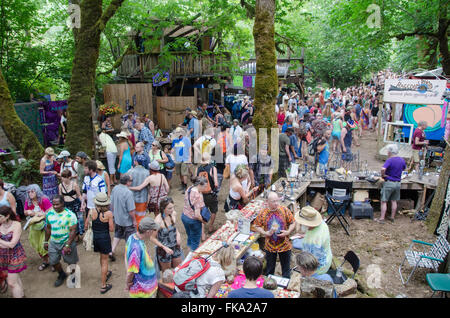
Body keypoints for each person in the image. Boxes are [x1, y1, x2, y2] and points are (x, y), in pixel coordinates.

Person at [254, 192, 296, 278]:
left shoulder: (284, 210)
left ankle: (285, 288)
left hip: (285, 245)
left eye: (277, 201)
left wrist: (288, 232)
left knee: (286, 270)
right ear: (267, 202)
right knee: (270, 270)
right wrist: (265, 233)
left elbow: (293, 222)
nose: (276, 203)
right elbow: (256, 225)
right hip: (270, 246)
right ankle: (270, 287)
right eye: (273, 201)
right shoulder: (263, 213)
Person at [44, 195, 78, 287]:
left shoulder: (70, 215)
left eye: (57, 204)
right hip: (54, 242)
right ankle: (61, 274)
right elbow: (48, 228)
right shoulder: (49, 214)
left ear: (63, 203)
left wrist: (67, 245)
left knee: (71, 262)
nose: (55, 206)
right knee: (53, 261)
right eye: (53, 204)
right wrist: (46, 241)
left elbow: (73, 231)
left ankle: (73, 275)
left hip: (66, 242)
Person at [85, 192, 114, 294]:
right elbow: (111, 229)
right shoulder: (109, 214)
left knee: (101, 258)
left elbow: (85, 226)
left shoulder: (91, 211)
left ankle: (104, 274)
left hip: (95, 238)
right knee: (105, 260)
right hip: (105, 238)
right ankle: (103, 285)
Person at [292, 206, 332, 275]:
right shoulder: (322, 224)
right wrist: (305, 236)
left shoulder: (315, 243)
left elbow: (312, 263)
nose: (301, 224)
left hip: (317, 269)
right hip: (326, 256)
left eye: (302, 222)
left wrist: (304, 271)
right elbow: (313, 233)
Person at [125, 217, 159, 298]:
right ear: (148, 231)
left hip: (145, 286)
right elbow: (131, 272)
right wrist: (128, 283)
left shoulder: (133, 236)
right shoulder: (136, 249)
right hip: (141, 290)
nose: (154, 232)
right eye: (153, 230)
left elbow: (126, 256)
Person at [376, 144, 406, 224]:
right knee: (394, 200)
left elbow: (383, 169)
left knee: (384, 201)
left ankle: (382, 218)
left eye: (388, 151)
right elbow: (404, 168)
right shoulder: (402, 160)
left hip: (389, 182)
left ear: (390, 151)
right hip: (398, 183)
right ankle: (392, 217)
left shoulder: (390, 160)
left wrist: (383, 175)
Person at [24, 184, 52, 271]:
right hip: (34, 226)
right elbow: (24, 212)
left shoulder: (44, 200)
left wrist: (43, 214)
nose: (30, 194)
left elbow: (51, 212)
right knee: (37, 244)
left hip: (45, 225)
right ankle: (45, 261)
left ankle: (53, 262)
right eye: (28, 192)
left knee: (45, 243)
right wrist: (28, 212)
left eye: (32, 191)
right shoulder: (27, 201)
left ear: (37, 191)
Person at [0, 206, 26, 298]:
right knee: (15, 278)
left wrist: (2, 243)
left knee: (11, 283)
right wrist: (4, 244)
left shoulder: (16, 224)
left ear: (7, 216)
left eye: (0, 217)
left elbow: (12, 244)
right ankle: (22, 295)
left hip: (15, 255)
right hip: (3, 255)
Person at [151, 197, 182, 272]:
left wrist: (178, 235)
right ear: (163, 208)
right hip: (164, 250)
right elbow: (152, 238)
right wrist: (164, 248)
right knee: (167, 273)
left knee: (178, 270)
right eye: (169, 208)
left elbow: (175, 227)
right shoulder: (157, 221)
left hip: (175, 247)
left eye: (173, 207)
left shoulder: (173, 214)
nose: (172, 210)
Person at [110, 174, 136, 261]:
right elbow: (131, 210)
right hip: (127, 220)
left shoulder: (115, 188)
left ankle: (112, 250)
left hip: (117, 218)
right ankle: (128, 255)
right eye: (131, 180)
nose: (132, 182)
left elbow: (111, 203)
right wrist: (134, 220)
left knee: (117, 234)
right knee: (129, 238)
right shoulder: (128, 193)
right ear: (127, 182)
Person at [182, 176, 209, 251]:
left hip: (184, 216)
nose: (205, 189)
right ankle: (192, 258)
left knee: (190, 236)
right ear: (199, 185)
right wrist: (203, 221)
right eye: (205, 186)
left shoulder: (189, 188)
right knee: (195, 242)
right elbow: (197, 215)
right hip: (193, 220)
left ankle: (189, 250)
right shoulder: (198, 195)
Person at [194, 153, 219, 234]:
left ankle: (202, 231)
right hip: (210, 194)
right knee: (213, 210)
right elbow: (216, 183)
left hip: (200, 194)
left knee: (201, 211)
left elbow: (195, 181)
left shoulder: (197, 168)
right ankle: (210, 226)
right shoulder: (212, 168)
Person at [80, 161, 107, 229]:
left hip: (97, 206)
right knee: (88, 224)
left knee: (96, 225)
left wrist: (101, 206)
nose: (84, 170)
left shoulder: (99, 179)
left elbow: (103, 194)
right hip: (88, 206)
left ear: (91, 170)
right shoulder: (86, 178)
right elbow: (84, 192)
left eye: (86, 168)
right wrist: (82, 203)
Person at [59, 170, 82, 240]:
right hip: (66, 205)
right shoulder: (60, 185)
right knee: (68, 221)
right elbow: (61, 197)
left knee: (76, 220)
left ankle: (77, 235)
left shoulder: (74, 185)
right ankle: (70, 235)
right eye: (62, 177)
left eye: (65, 177)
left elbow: (79, 195)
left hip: (75, 204)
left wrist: (83, 204)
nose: (63, 179)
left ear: (69, 177)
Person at [128, 155, 150, 228]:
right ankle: (138, 232)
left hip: (131, 198)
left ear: (136, 162)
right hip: (142, 198)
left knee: (131, 216)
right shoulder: (147, 173)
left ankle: (131, 232)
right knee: (140, 217)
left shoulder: (130, 172)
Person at [171, 127, 192, 194]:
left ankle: (185, 187)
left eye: (178, 132)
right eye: (176, 132)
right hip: (177, 159)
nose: (177, 133)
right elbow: (173, 149)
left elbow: (189, 148)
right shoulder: (175, 140)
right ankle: (182, 184)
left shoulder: (186, 139)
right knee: (179, 173)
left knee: (184, 173)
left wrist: (190, 157)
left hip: (185, 158)